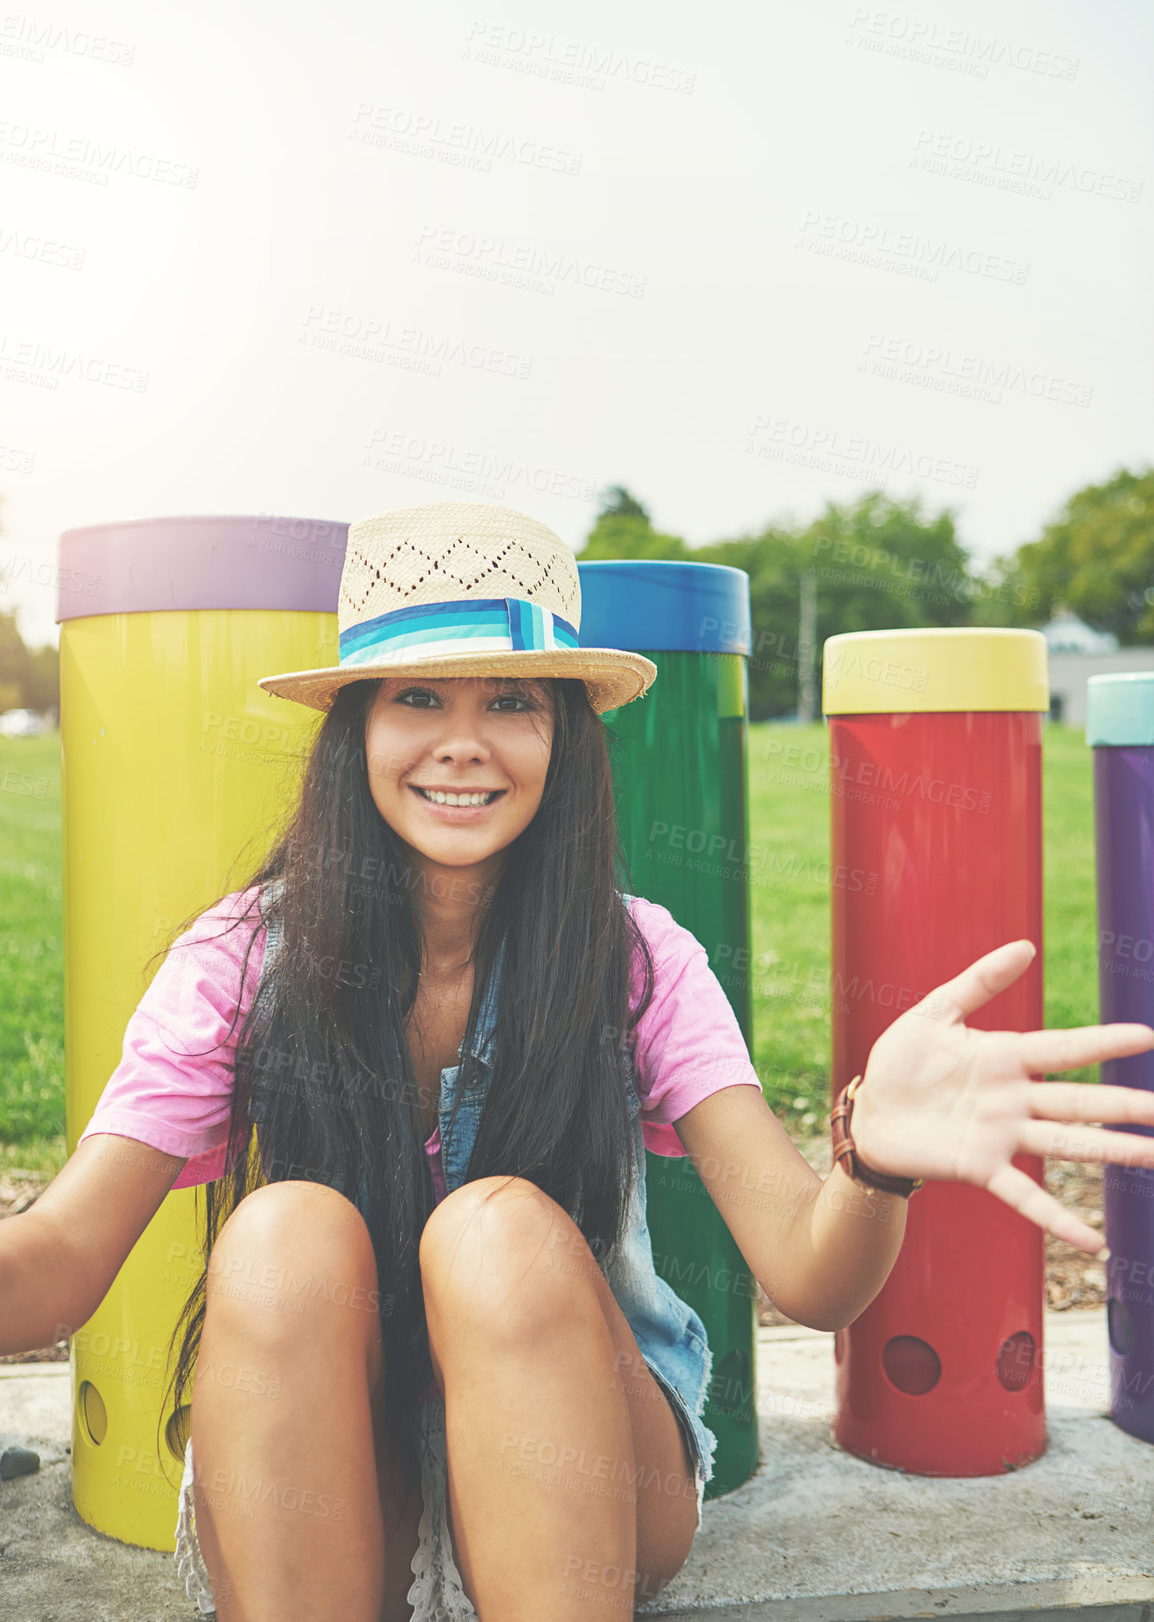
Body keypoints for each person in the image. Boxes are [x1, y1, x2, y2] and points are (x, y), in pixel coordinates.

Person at [3, 500, 1154, 1622]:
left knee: (494, 1226)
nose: (462, 741)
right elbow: (59, 1258)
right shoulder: (245, 956)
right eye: (416, 697)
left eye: (510, 700)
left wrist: (871, 1164)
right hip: (330, 1467)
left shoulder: (634, 956)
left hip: (582, 1461)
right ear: (355, 728)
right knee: (280, 1228)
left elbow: (809, 1277)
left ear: (565, 734)